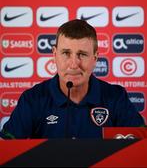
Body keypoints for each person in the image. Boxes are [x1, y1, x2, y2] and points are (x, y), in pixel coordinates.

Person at [0, 19, 145, 139]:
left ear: (95, 58)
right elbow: (7, 150)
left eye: (82, 54)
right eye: (66, 53)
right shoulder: (32, 99)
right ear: (54, 54)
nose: (74, 64)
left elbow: (141, 144)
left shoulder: (116, 97)